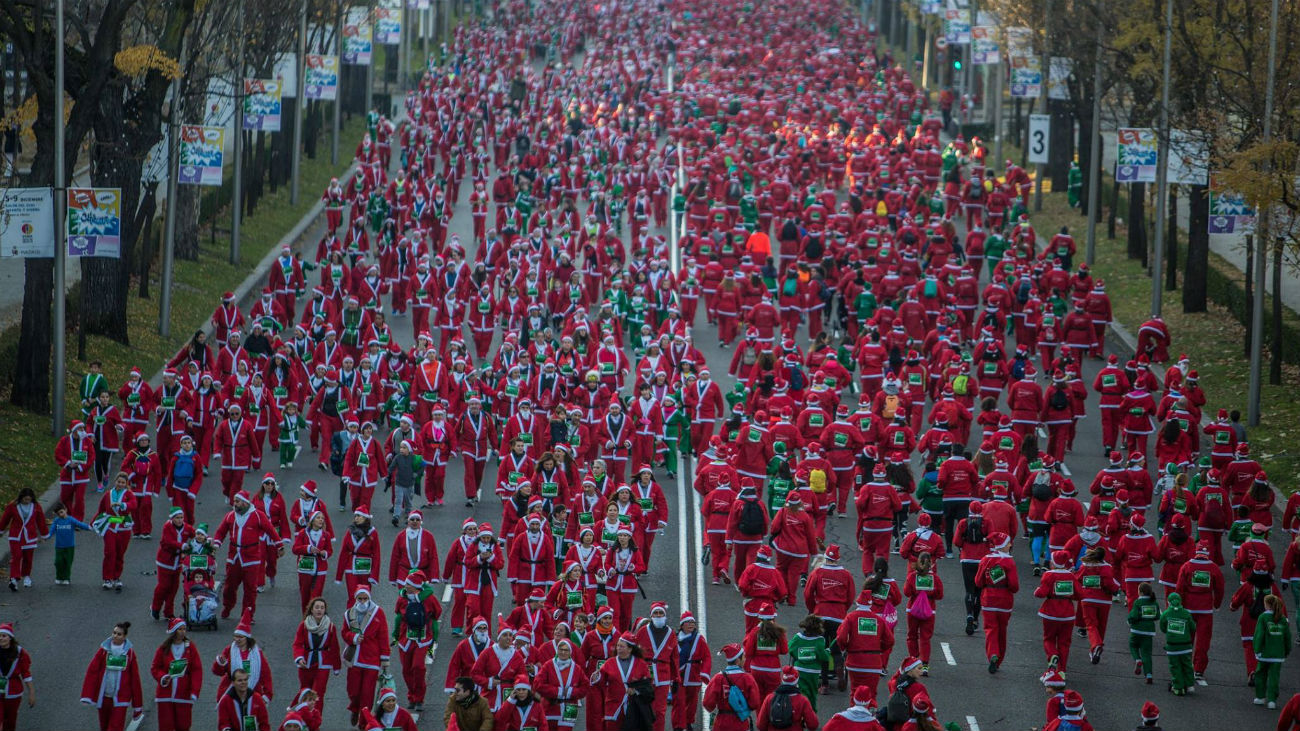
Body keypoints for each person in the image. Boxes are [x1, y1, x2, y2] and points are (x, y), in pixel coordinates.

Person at [79, 621, 144, 731]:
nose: (115, 636)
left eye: (119, 634)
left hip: (121, 697)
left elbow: (135, 679)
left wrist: (137, 705)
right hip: (104, 697)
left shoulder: (130, 654)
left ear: (124, 637)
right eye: (114, 633)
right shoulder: (103, 651)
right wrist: (87, 694)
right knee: (104, 727)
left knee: (115, 727)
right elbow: (92, 671)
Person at [392, 571, 442, 711]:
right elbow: (397, 614)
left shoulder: (429, 599)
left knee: (418, 667)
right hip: (405, 638)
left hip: (422, 638)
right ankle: (412, 696)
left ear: (415, 586)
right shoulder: (402, 598)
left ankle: (419, 698)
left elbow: (437, 612)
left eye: (408, 583)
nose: (405, 585)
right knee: (406, 669)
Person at [342, 585, 390, 727]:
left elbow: (383, 636)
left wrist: (384, 658)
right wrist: (353, 637)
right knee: (354, 691)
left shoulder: (378, 613)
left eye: (365, 598)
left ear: (369, 598)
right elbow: (344, 633)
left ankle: (364, 723)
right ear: (355, 598)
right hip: (355, 659)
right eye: (360, 598)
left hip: (371, 660)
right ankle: (354, 708)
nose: (363, 601)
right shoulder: (349, 613)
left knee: (367, 694)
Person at [150, 618, 202, 731]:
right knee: (166, 726)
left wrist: (194, 691)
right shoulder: (163, 649)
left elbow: (197, 670)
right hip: (165, 695)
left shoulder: (190, 648)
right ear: (174, 631)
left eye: (184, 629)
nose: (183, 632)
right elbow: (155, 668)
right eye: (180, 629)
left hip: (184, 694)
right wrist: (163, 677)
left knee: (184, 726)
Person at [292, 597, 341, 710]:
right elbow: (297, 644)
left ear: (325, 611)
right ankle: (304, 718)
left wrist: (336, 666)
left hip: (323, 664)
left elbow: (335, 647)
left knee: (318, 694)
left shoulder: (330, 627)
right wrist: (299, 658)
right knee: (306, 693)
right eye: (317, 607)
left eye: (322, 608)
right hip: (306, 664)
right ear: (312, 610)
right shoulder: (303, 625)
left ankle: (315, 720)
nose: (319, 610)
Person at [210, 613, 273, 701]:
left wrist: (267, 694)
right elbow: (217, 672)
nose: (237, 639)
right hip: (231, 692)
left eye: (241, 637)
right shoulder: (229, 650)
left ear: (247, 638)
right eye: (236, 636)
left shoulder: (257, 653)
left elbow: (265, 674)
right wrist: (220, 663)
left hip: (253, 691)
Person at [703, 643, 761, 731]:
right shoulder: (748, 678)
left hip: (721, 723)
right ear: (738, 660)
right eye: (743, 657)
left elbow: (708, 703)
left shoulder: (718, 678)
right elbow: (755, 703)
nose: (745, 659)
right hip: (741, 722)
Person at [0, 488, 48, 591]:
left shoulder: (36, 506)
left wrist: (44, 534)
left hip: (30, 536)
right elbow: (5, 518)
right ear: (21, 497)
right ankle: (14, 578)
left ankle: (26, 576)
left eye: (29, 499)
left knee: (28, 557)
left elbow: (41, 521)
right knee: (16, 556)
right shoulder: (12, 506)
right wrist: (1, 529)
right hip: (16, 536)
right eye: (25, 499)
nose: (27, 501)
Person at [1252, 594, 1291, 709]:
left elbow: (1259, 635)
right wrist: (1286, 650)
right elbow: (1287, 637)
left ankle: (1260, 696)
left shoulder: (1263, 618)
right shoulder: (1282, 619)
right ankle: (1272, 700)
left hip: (1265, 653)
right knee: (1274, 677)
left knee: (1260, 674)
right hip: (1278, 655)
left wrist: (1257, 650)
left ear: (1267, 605)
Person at [758, 666, 818, 731]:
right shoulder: (802, 700)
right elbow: (813, 725)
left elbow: (760, 725)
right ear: (796, 681)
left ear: (782, 680)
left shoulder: (769, 698)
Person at [1159, 592, 1196, 695]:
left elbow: (1162, 628)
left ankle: (1178, 687)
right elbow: (1193, 628)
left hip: (1172, 647)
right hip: (1186, 646)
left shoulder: (1166, 614)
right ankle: (1190, 685)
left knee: (1175, 666)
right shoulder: (1186, 613)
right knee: (1187, 665)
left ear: (1169, 602)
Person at [46, 501, 91, 585]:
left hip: (69, 546)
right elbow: (51, 531)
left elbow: (79, 524)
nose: (60, 514)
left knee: (67, 562)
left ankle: (66, 578)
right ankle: (59, 577)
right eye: (58, 513)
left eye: (61, 512)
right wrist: (46, 537)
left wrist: (88, 527)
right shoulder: (56, 521)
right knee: (58, 562)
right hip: (59, 546)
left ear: (65, 510)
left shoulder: (71, 520)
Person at [0, 623, 34, 731]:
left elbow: (26, 673)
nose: (1, 638)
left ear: (10, 638)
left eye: (4, 636)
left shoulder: (20, 653)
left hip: (13, 693)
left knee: (10, 721)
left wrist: (31, 693)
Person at [821, 686, 886, 731]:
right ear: (868, 703)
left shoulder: (839, 718)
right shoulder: (873, 724)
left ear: (854, 700)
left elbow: (825, 729)